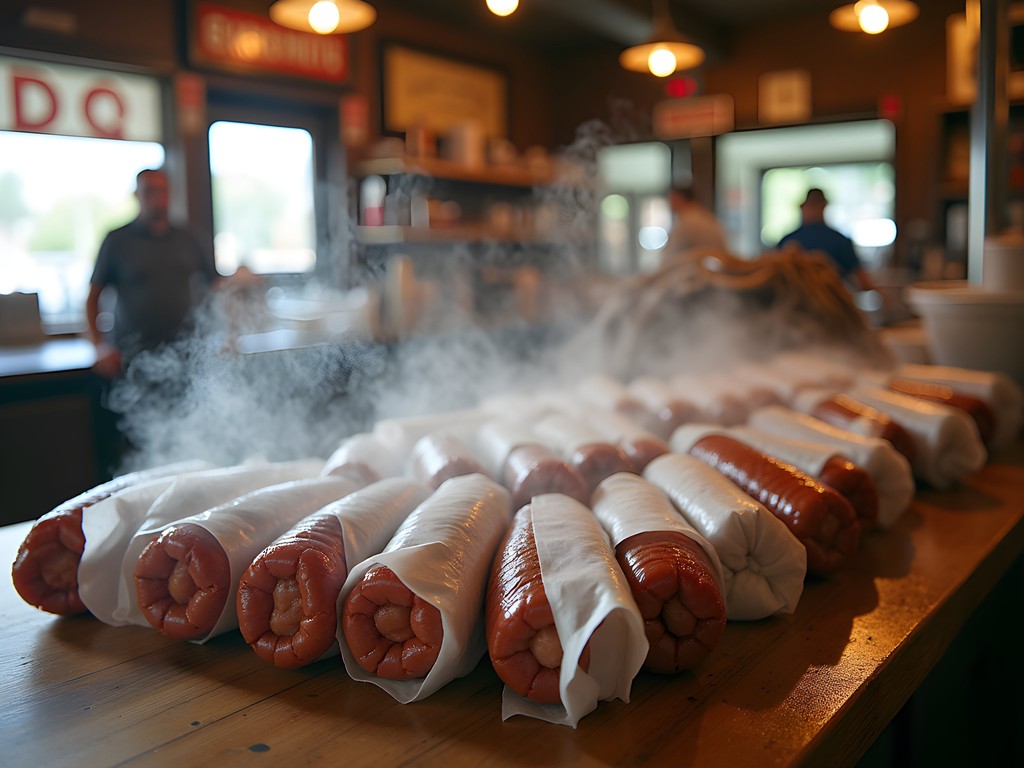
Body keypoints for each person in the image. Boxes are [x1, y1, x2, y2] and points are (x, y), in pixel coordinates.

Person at [86, 168, 219, 377]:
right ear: (136, 195)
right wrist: (99, 346)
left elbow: (216, 287)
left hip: (184, 352)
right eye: (149, 191)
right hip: (131, 356)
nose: (157, 197)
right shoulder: (117, 240)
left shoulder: (190, 238)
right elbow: (92, 298)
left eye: (162, 190)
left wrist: (226, 333)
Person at [777, 187, 876, 292]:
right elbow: (863, 283)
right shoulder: (839, 240)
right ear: (825, 206)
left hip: (799, 304)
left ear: (802, 207)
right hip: (830, 303)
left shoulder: (788, 241)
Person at [661, 184, 728, 267]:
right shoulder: (702, 216)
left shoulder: (688, 222)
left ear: (678, 198)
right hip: (714, 271)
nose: (669, 203)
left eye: (670, 198)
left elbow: (670, 258)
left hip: (703, 274)